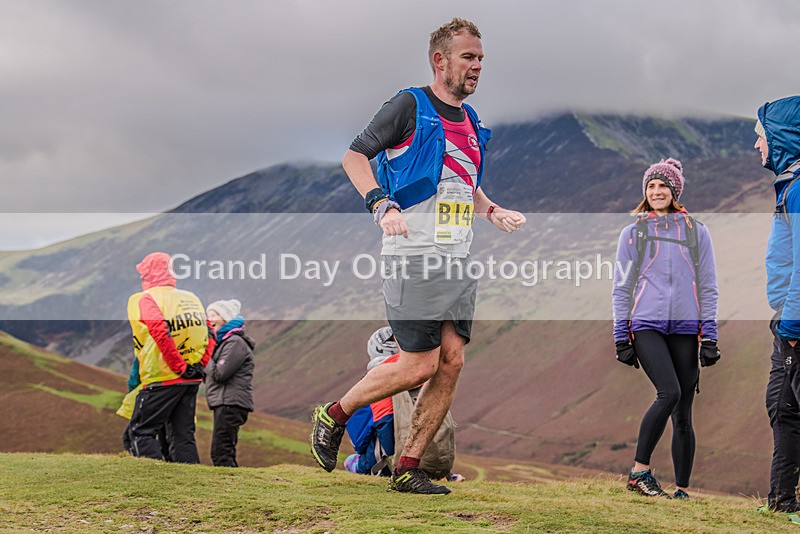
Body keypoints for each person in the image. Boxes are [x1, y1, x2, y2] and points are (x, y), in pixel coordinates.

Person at [311, 17, 526, 495]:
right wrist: (380, 203)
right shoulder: (409, 104)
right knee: (419, 363)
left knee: (451, 362)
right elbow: (354, 156)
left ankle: (410, 467)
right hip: (411, 254)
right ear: (440, 60)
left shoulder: (471, 121)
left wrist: (490, 210)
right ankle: (334, 414)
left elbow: (460, 182)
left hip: (457, 258)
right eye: (468, 57)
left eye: (481, 59)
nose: (476, 67)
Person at [611, 158, 720, 499]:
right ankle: (639, 472)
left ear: (675, 191)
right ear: (645, 192)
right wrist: (620, 336)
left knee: (683, 411)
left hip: (686, 328)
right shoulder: (634, 233)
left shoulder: (695, 231)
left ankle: (682, 490)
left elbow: (708, 285)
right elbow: (621, 287)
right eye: (651, 186)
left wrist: (710, 335)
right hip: (646, 325)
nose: (656, 192)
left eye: (663, 186)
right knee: (669, 393)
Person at [127, 252, 216, 463]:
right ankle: (191, 484)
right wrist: (199, 364)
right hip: (191, 378)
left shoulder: (146, 298)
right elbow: (210, 330)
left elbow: (159, 331)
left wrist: (179, 366)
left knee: (141, 431)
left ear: (148, 272)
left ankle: (154, 481)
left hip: (162, 376)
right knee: (183, 435)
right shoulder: (191, 298)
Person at [756, 96, 800, 512]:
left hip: (795, 325)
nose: (757, 145)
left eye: (761, 136)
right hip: (786, 321)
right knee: (782, 407)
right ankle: (782, 503)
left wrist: (791, 327)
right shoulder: (792, 183)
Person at [204, 298, 255, 467]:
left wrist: (205, 354)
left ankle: (229, 485)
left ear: (226, 318)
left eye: (215, 314)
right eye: (208, 315)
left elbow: (219, 374)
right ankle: (230, 484)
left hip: (230, 403)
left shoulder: (235, 342)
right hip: (225, 402)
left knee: (221, 451)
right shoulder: (225, 342)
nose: (210, 319)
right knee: (222, 450)